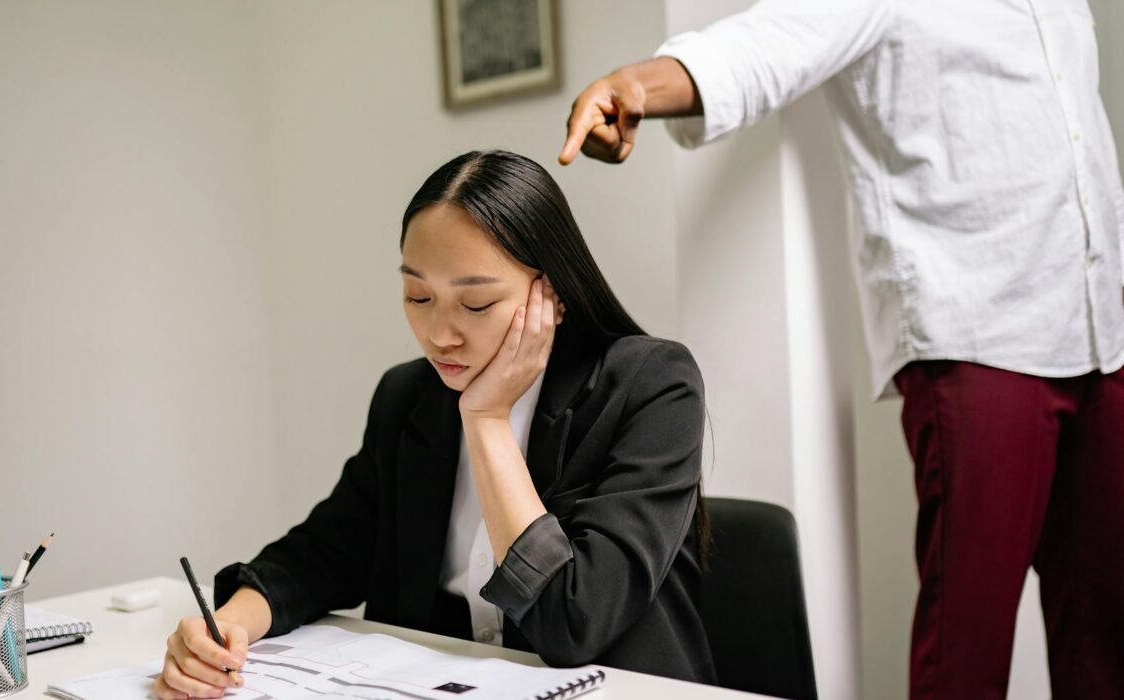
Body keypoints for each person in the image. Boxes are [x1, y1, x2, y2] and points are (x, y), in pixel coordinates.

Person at [560, 1, 1124, 698]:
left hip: (1103, 332)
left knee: (1106, 630)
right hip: (978, 334)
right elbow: (759, 47)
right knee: (968, 648)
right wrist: (636, 86)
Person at [152, 150, 716, 700]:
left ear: (553, 294)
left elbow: (575, 619)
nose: (440, 334)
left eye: (475, 305)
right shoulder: (408, 395)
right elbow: (325, 553)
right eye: (417, 295)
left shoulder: (651, 385)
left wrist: (488, 421)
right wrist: (227, 627)